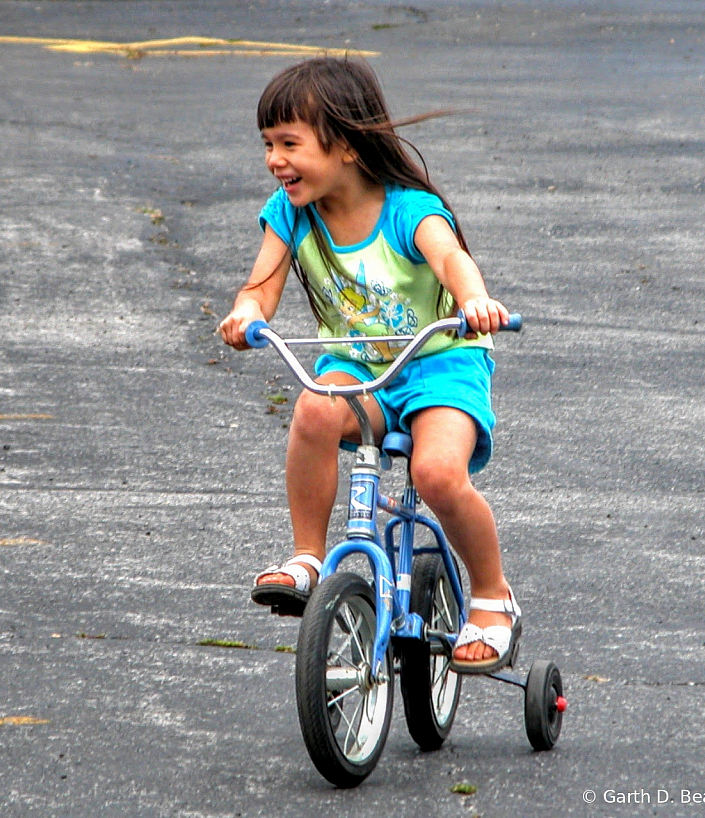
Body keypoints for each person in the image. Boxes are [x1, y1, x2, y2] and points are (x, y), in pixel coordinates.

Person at [217, 57, 520, 674]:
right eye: (268, 145)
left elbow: (452, 260)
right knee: (312, 409)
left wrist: (474, 302)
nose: (276, 160)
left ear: (348, 146)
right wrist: (246, 314)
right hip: (358, 366)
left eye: (290, 143)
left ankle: (491, 597)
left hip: (440, 363)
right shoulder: (291, 213)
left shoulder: (410, 210)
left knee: (436, 474)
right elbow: (261, 288)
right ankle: (307, 557)